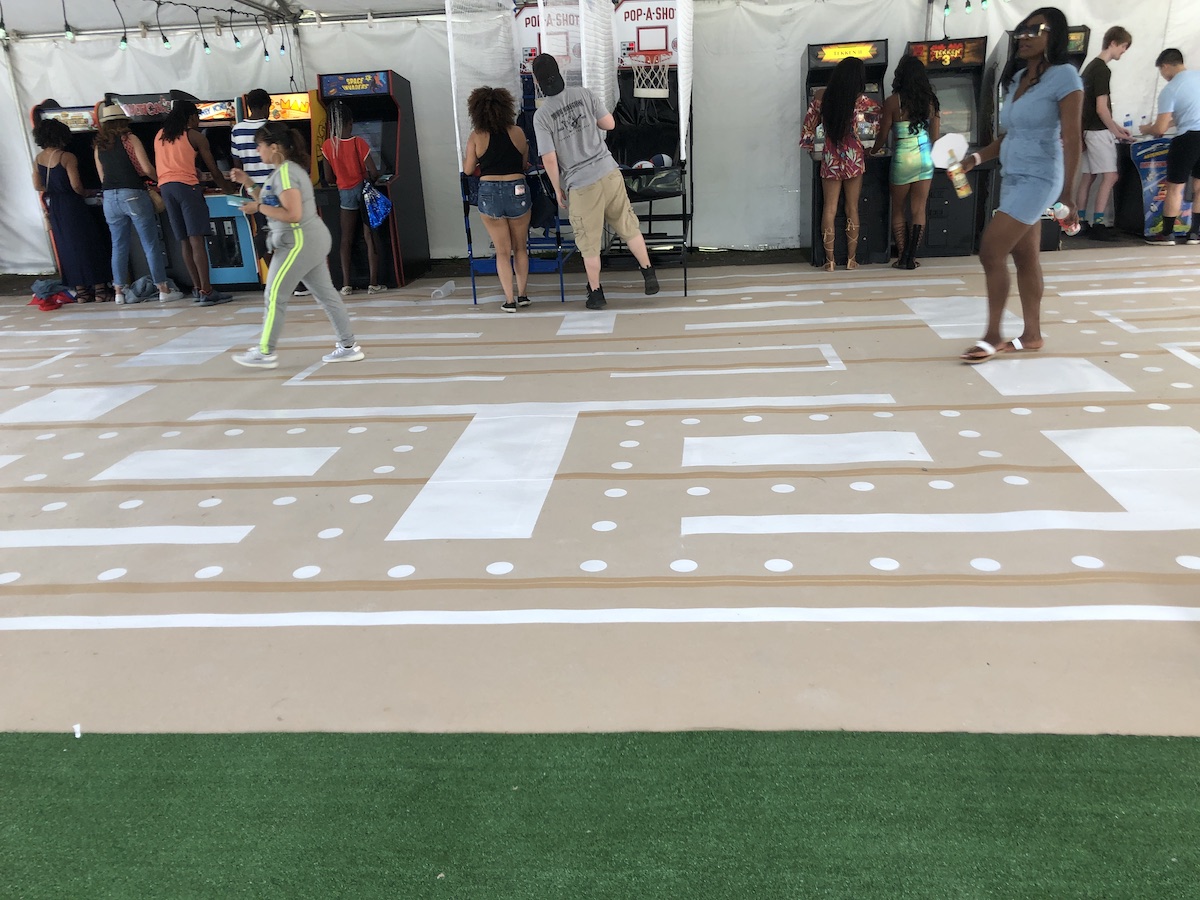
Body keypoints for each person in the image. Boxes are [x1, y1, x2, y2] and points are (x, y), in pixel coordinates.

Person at [957, 7, 1082, 364]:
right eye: (1021, 31)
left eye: (1035, 30)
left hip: (1042, 176)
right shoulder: (1016, 80)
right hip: (1013, 175)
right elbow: (1010, 135)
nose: (1024, 36)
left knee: (991, 250)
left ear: (1053, 35)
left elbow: (1072, 137)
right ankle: (1032, 336)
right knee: (1025, 255)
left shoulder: (1065, 76)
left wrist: (1069, 193)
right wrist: (975, 159)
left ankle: (993, 335)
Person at [229, 122, 365, 370]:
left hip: (298, 241)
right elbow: (270, 200)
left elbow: (292, 213)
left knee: (274, 296)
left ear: (274, 147)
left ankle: (265, 351)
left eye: (259, 146)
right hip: (308, 240)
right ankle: (348, 347)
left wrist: (257, 208)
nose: (257, 151)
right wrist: (248, 183)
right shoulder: (282, 172)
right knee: (326, 295)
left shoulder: (286, 174)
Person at [531, 53, 658, 310]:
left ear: (538, 82)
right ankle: (648, 274)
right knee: (627, 224)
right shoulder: (585, 94)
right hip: (609, 172)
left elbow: (550, 159)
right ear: (561, 71)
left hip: (581, 184)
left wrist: (558, 189)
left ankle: (596, 293)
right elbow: (609, 124)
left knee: (588, 241)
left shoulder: (542, 116)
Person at [93, 104, 183, 304]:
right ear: (123, 121)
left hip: (109, 198)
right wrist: (160, 179)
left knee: (118, 245)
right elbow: (145, 168)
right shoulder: (129, 139)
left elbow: (102, 177)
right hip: (133, 194)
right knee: (150, 243)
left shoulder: (99, 145)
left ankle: (119, 292)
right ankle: (163, 288)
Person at [800, 57, 882, 271]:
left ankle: (830, 261)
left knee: (829, 208)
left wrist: (810, 147)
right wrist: (870, 146)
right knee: (852, 208)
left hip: (830, 157)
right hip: (854, 157)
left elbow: (808, 129)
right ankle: (851, 260)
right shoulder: (863, 101)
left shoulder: (820, 96)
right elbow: (878, 120)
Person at [154, 99, 234, 305]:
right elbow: (214, 170)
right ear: (190, 117)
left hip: (166, 189)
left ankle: (198, 290)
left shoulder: (159, 136)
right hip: (187, 188)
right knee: (196, 240)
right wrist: (229, 191)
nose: (198, 121)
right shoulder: (194, 136)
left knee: (184, 241)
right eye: (197, 117)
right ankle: (208, 292)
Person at [232, 88, 310, 296]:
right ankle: (297, 282)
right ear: (267, 106)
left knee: (264, 238)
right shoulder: (271, 129)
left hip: (254, 190)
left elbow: (237, 163)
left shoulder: (236, 130)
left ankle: (283, 280)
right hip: (278, 188)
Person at [462, 86, 532, 313]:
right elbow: (523, 164)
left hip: (489, 190)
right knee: (520, 247)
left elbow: (468, 168)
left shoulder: (476, 136)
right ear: (506, 108)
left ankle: (509, 300)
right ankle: (523, 295)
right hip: (517, 188)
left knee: (503, 251)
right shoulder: (518, 132)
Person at [31, 117, 113, 302]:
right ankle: (100, 290)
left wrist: (54, 189)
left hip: (56, 206)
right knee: (88, 243)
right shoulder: (67, 157)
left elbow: (37, 185)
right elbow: (76, 185)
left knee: (67, 247)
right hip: (72, 205)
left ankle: (81, 292)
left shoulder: (38, 159)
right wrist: (86, 192)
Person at [870, 55, 940, 269]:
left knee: (898, 209)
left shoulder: (893, 101)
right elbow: (935, 137)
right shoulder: (931, 101)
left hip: (903, 158)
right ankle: (911, 258)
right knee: (919, 209)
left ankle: (901, 257)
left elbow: (882, 135)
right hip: (925, 157)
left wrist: (872, 151)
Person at [1075, 26, 1133, 242]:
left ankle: (1080, 221)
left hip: (1087, 130)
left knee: (1088, 177)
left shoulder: (1089, 68)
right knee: (1111, 176)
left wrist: (1117, 128)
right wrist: (1115, 132)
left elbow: (1090, 108)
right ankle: (1099, 222)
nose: (1124, 52)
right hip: (1098, 132)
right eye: (1124, 47)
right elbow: (1101, 108)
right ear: (1113, 43)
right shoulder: (1102, 70)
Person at [321, 101, 384, 295]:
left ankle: (346, 284)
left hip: (345, 193)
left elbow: (329, 177)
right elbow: (374, 172)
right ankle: (373, 284)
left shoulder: (328, 146)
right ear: (350, 123)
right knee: (369, 237)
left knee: (345, 239)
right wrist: (370, 176)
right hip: (363, 191)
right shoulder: (359, 143)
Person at [1139, 49, 1200, 246]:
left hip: (1187, 139)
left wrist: (1147, 128)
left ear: (1165, 66)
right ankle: (1195, 234)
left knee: (1175, 187)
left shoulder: (1171, 89)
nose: (1163, 77)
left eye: (1161, 72)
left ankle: (1167, 234)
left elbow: (1160, 128)